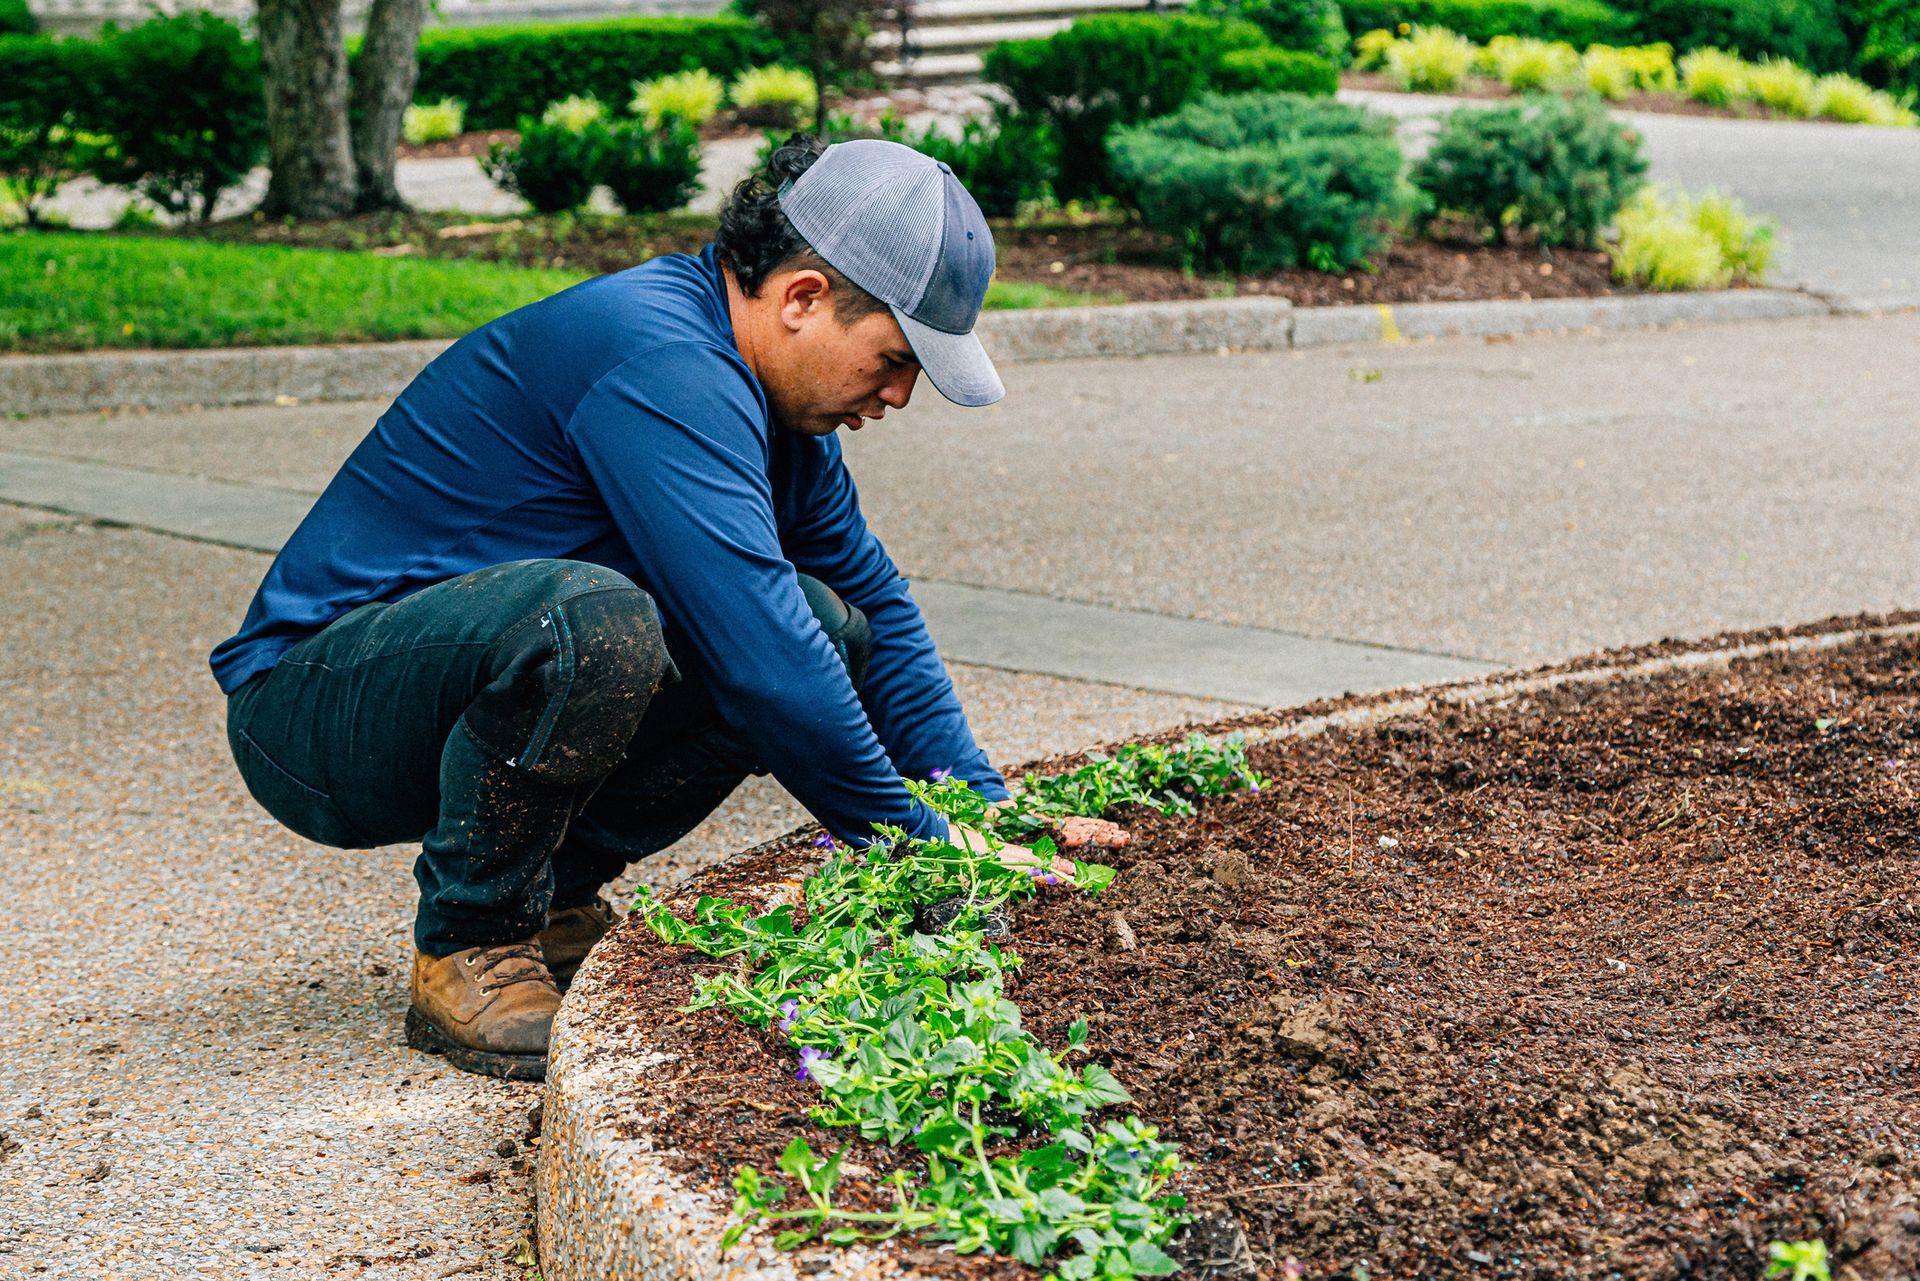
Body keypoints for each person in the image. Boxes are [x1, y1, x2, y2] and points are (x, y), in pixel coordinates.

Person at [209, 135, 1116, 1083]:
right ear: (803, 298)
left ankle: (549, 901)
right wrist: (921, 846)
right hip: (311, 704)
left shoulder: (776, 413)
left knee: (826, 621)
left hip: (464, 677)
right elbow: (767, 664)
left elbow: (869, 605)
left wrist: (981, 802)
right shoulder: (658, 357)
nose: (898, 395)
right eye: (893, 359)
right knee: (598, 621)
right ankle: (468, 939)